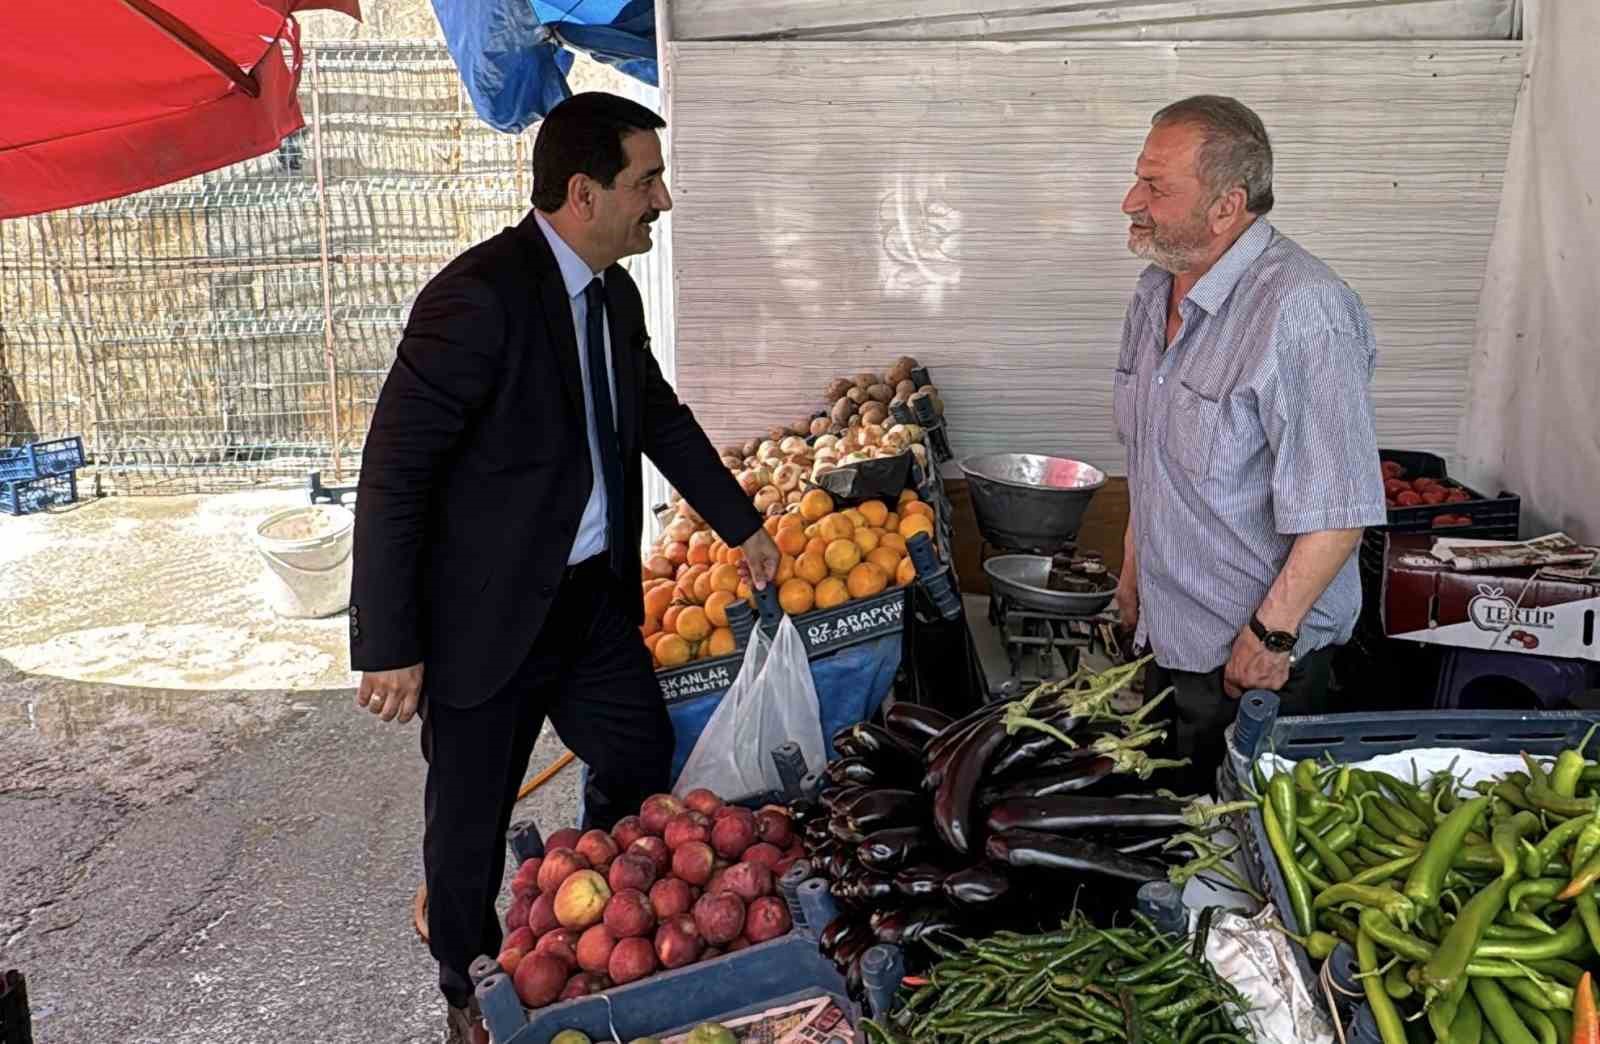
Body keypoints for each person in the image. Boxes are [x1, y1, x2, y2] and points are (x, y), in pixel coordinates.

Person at [347, 92, 780, 1042]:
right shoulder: (476, 298)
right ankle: (467, 993)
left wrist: (741, 523)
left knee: (635, 754)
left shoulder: (615, 297)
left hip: (589, 607)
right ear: (583, 192)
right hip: (482, 618)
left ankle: (593, 915)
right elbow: (396, 469)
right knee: (466, 822)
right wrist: (389, 641)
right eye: (647, 180)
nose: (662, 200)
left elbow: (657, 417)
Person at [1111, 95, 1386, 794]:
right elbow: (1152, 461)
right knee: (1172, 842)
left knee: (1236, 861)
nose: (1129, 201)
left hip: (1253, 665)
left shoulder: (1303, 312)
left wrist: (1269, 639)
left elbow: (1337, 513)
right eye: (1137, 178)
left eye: (1155, 186)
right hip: (1169, 644)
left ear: (1227, 206)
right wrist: (1133, 568)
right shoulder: (1153, 295)